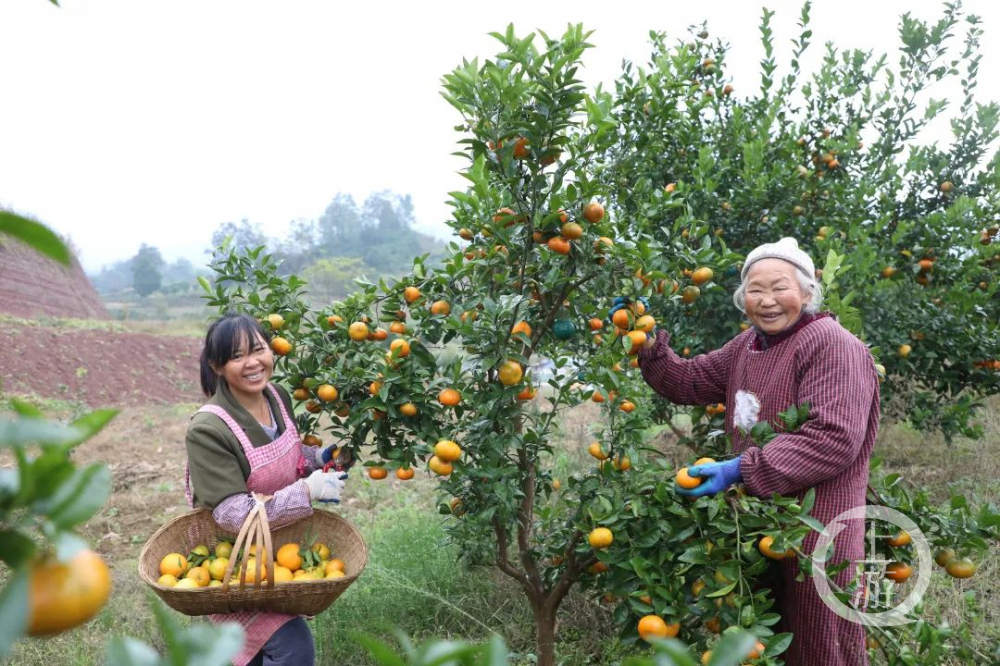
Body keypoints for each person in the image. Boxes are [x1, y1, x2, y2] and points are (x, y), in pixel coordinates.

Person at [633, 238, 880, 666]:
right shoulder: (749, 345)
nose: (767, 301)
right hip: (758, 526)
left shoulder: (832, 345)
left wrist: (741, 470)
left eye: (779, 287)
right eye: (755, 289)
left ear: (806, 292)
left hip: (817, 530)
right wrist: (649, 341)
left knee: (822, 645)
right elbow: (689, 381)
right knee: (768, 639)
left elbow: (833, 437)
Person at [185, 312, 348, 666]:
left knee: (255, 655)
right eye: (237, 356)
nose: (252, 363)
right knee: (292, 645)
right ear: (217, 365)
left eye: (258, 349)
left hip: (279, 552)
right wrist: (308, 491)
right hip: (233, 561)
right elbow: (233, 515)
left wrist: (319, 457)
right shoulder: (209, 429)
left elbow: (287, 454)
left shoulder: (277, 396)